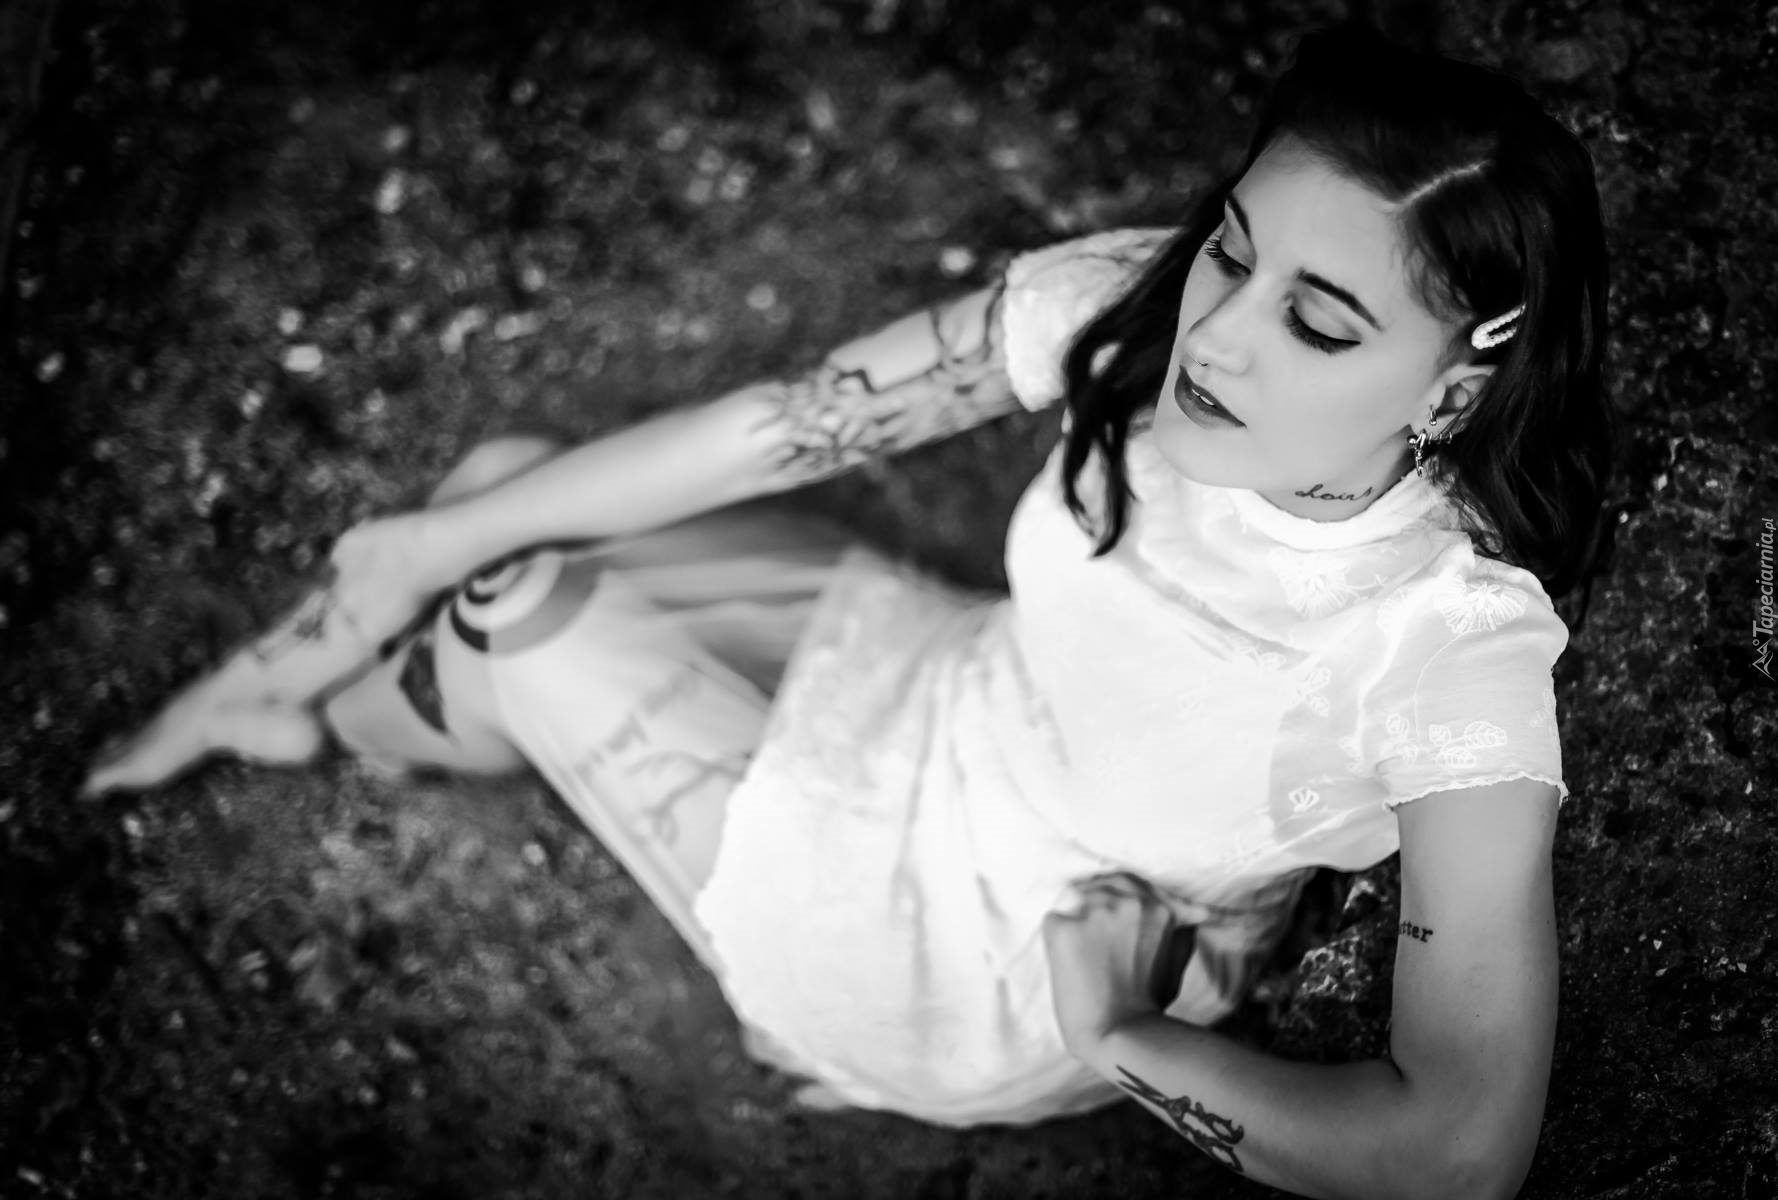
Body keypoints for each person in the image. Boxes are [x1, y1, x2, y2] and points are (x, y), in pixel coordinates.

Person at [84, 23, 1618, 1200]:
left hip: (1004, 948)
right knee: (498, 493)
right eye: (1230, 246)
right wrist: (412, 542)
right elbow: (788, 421)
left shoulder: (1445, 653)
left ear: (1452, 388)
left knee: (505, 601)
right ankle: (337, 679)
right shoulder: (1142, 316)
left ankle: (346, 718)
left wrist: (1124, 1039)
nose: (1213, 333)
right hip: (940, 693)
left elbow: (1456, 1154)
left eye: (1317, 322)